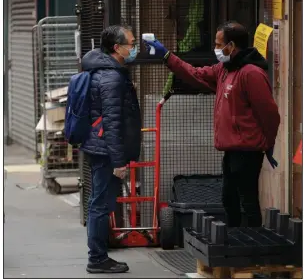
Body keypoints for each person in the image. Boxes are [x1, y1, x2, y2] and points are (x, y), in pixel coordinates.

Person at [144, 21, 280, 228]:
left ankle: (252, 246)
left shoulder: (250, 73)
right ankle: (235, 242)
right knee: (229, 199)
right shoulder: (225, 69)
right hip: (232, 149)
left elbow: (269, 113)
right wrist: (167, 56)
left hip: (247, 149)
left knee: (247, 200)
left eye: (219, 44)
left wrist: (268, 142)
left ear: (231, 46)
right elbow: (195, 74)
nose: (216, 49)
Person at [80, 25, 141, 273]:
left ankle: (99, 256)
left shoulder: (105, 71)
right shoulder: (112, 78)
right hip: (107, 151)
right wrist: (118, 162)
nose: (134, 48)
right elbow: (113, 123)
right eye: (131, 43)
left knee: (100, 202)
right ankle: (97, 259)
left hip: (101, 147)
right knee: (101, 204)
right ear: (117, 48)